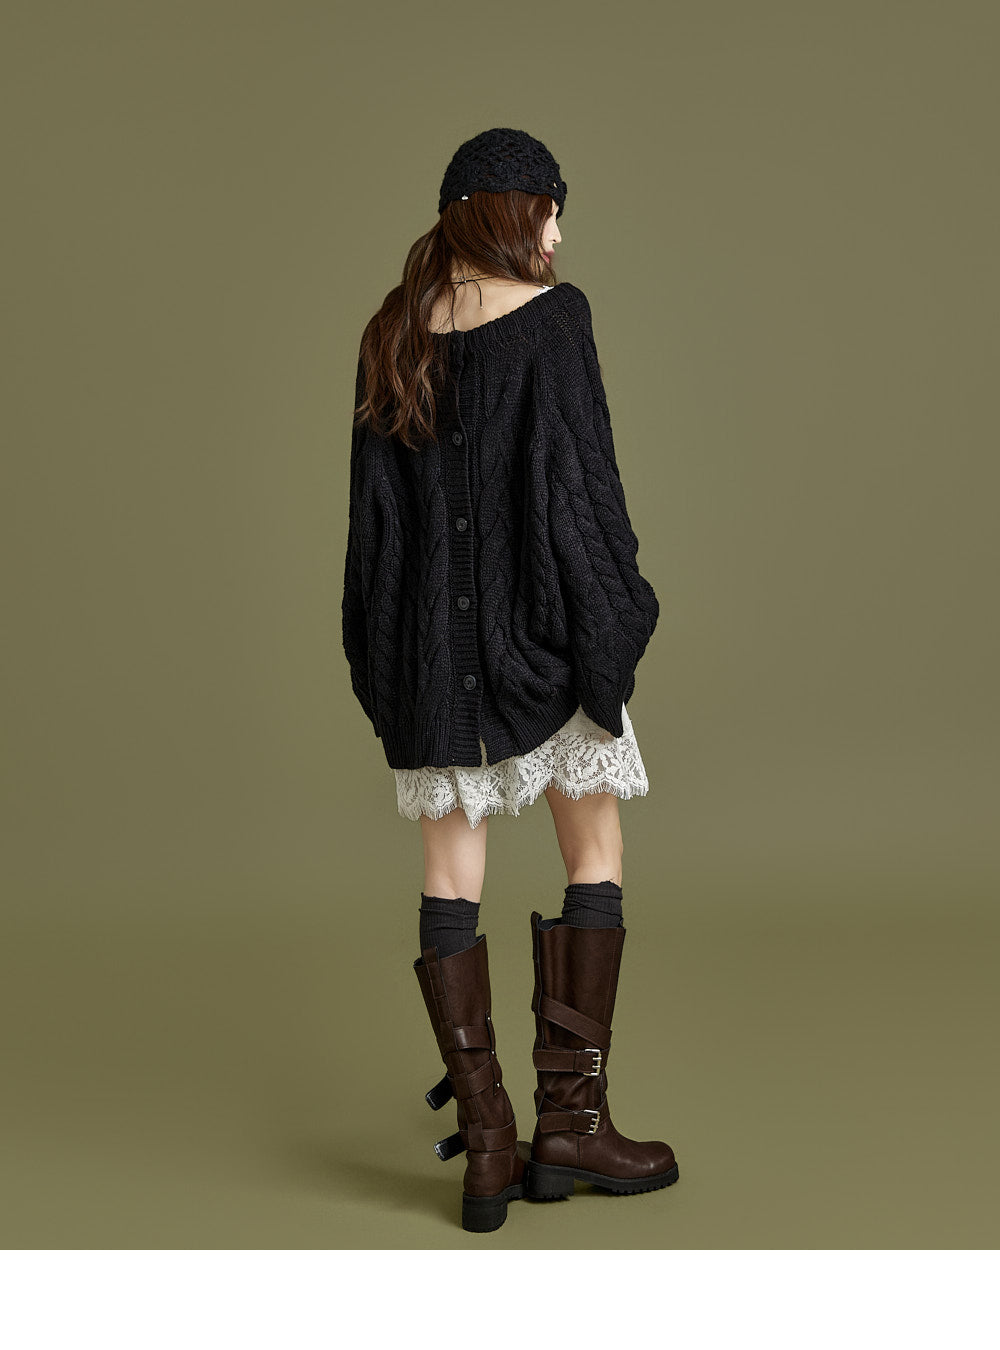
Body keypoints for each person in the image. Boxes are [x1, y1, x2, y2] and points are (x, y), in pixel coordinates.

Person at [342, 127, 679, 1233]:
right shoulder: (555, 319)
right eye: (551, 211)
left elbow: (373, 533)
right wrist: (615, 624)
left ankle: (489, 1151)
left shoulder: (391, 332)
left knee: (450, 878)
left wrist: (390, 670)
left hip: (433, 664)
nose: (560, 235)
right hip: (547, 640)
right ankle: (571, 1128)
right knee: (596, 852)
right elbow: (586, 492)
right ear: (510, 211)